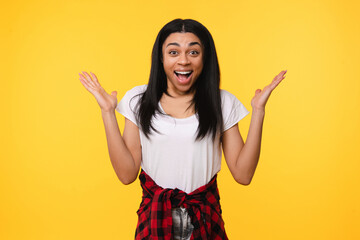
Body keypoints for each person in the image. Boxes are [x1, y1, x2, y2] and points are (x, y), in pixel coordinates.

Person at [79, 18, 287, 240]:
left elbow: (243, 174)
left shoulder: (221, 101)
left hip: (205, 219)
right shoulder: (138, 100)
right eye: (174, 52)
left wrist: (258, 111)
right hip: (155, 220)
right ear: (161, 58)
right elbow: (126, 174)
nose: (184, 61)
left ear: (205, 58)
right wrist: (108, 113)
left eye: (193, 52)